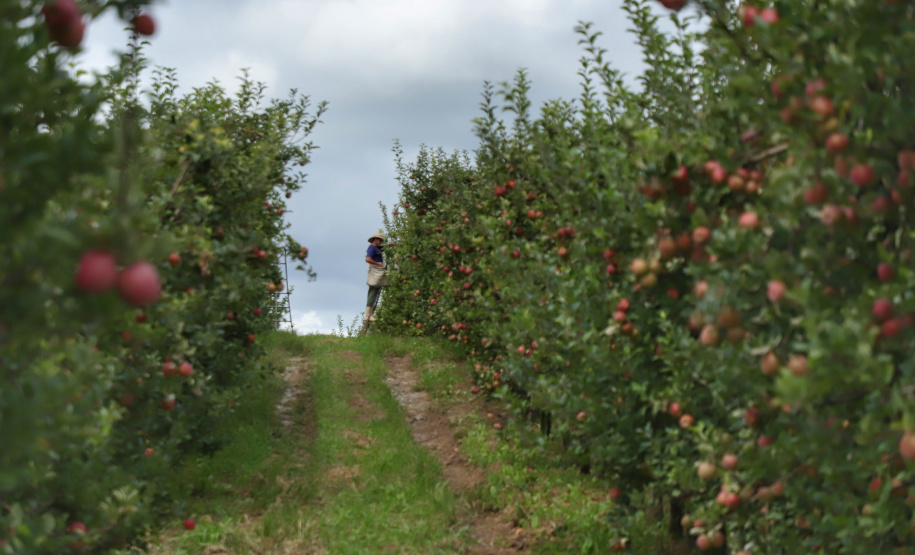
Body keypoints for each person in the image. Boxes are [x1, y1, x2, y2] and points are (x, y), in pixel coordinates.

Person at [364, 231, 385, 323]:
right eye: (379, 240)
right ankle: (368, 315)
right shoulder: (372, 248)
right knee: (373, 291)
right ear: (375, 240)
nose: (380, 242)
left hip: (377, 271)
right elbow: (368, 259)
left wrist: (392, 245)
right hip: (376, 270)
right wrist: (377, 264)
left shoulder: (377, 248)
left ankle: (371, 314)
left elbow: (384, 248)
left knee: (375, 291)